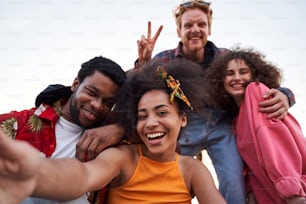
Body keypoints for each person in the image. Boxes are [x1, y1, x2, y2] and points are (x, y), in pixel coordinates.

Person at [131, 1, 296, 203]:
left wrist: (286, 95)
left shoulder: (225, 57)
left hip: (221, 128)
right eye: (188, 25)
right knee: (163, 175)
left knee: (234, 181)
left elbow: (263, 80)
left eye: (201, 24)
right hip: (185, 128)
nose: (195, 30)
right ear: (178, 31)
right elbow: (136, 90)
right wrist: (143, 65)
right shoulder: (164, 60)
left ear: (209, 28)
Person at [0, 59, 226, 204]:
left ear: (183, 119)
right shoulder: (122, 157)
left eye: (162, 113)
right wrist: (34, 175)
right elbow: (82, 176)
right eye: (142, 116)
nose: (150, 123)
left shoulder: (192, 169)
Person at [0, 56, 127, 204]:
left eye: (107, 102)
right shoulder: (19, 123)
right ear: (75, 84)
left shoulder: (108, 144)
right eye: (91, 93)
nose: (97, 105)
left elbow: (147, 122)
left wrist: (119, 129)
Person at [204, 47, 306, 204]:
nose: (237, 78)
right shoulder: (235, 120)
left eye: (243, 72)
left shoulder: (256, 92)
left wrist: (292, 191)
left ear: (254, 75)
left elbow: (274, 140)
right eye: (230, 74)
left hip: (295, 193)